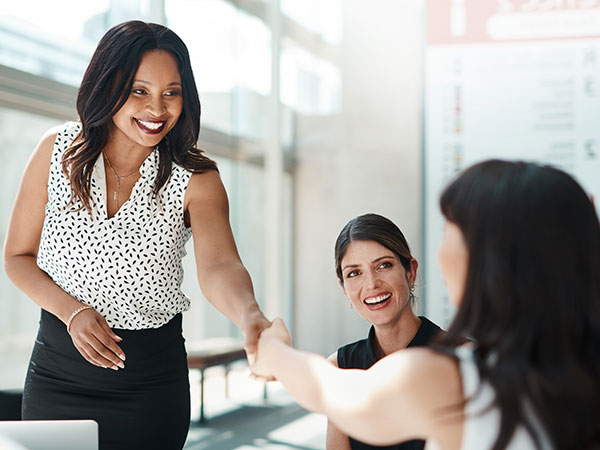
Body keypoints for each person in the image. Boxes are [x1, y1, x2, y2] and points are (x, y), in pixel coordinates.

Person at [3, 21, 270, 450]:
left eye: (172, 92)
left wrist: (249, 315)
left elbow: (221, 265)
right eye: (139, 90)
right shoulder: (56, 152)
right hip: (57, 377)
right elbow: (17, 256)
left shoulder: (197, 178)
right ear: (107, 85)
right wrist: (72, 312)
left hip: (148, 388)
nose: (157, 109)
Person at [251, 160, 600, 450]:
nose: (441, 250)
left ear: (490, 260)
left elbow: (328, 389)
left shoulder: (459, 379)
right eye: (354, 273)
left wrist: (273, 349)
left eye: (450, 229)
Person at [328, 213, 442, 450]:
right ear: (344, 288)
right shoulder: (339, 368)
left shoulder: (462, 358)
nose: (371, 284)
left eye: (383, 265)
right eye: (354, 273)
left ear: (410, 272)